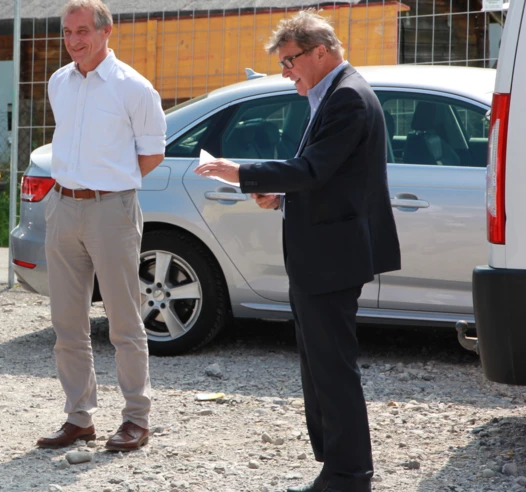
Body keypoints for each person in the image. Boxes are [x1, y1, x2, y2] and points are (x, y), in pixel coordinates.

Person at [195, 10, 400, 492]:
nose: (286, 72)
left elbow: (312, 169)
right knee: (320, 367)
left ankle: (349, 475)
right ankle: (336, 469)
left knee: (332, 369)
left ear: (321, 52)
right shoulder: (332, 93)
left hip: (333, 256)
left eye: (290, 61)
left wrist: (241, 173)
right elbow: (324, 175)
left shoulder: (347, 96)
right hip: (323, 254)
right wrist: (280, 194)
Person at [35, 0, 166, 452]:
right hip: (63, 208)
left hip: (112, 210)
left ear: (107, 31)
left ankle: (136, 418)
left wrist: (109, 187)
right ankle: (79, 417)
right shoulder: (58, 82)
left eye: (82, 30)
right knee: (67, 324)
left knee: (124, 321)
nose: (74, 40)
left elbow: (151, 155)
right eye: (67, 32)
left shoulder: (134, 88)